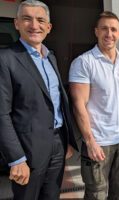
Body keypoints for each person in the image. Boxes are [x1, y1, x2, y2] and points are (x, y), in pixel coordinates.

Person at [0, 0, 79, 199]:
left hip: (57, 144)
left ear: (49, 27)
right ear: (16, 23)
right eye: (27, 19)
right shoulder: (5, 59)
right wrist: (16, 159)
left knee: (51, 196)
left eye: (40, 20)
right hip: (27, 150)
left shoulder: (50, 57)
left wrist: (66, 140)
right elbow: (2, 113)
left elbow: (59, 102)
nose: (34, 25)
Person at [69, 11, 119, 199]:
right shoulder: (83, 63)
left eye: (113, 29)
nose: (109, 34)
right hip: (99, 142)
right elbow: (78, 104)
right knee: (96, 194)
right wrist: (90, 141)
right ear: (96, 31)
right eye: (104, 29)